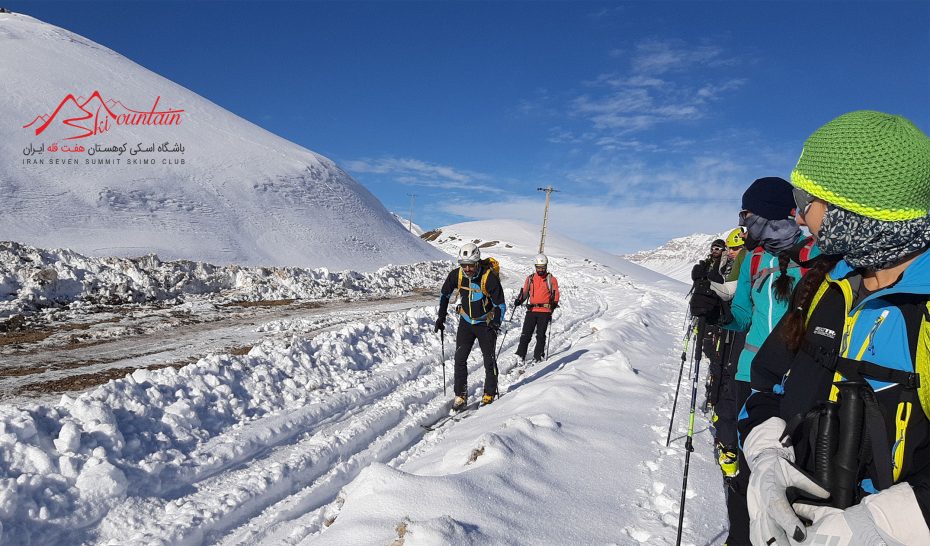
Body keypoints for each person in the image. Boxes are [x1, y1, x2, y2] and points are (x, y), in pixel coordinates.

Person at [740, 110, 930, 546]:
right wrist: (767, 453)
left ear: (855, 212)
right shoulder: (828, 288)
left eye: (806, 202)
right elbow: (764, 382)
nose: (801, 220)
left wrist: (887, 523)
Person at [721, 176, 820, 546]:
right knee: (748, 475)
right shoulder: (753, 259)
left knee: (793, 478)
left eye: (748, 214)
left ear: (768, 215)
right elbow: (743, 315)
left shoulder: (815, 258)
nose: (744, 222)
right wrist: (718, 313)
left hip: (801, 384)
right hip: (752, 377)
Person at [435, 243, 506, 410]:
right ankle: (461, 395)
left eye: (470, 265)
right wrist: (441, 316)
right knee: (460, 359)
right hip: (466, 322)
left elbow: (501, 305)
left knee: (489, 359)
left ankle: (489, 393)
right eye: (463, 265)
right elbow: (444, 294)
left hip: (485, 324)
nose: (467, 269)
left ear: (477, 262)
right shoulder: (457, 275)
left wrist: (496, 323)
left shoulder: (489, 278)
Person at [514, 254, 561, 363]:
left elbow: (556, 293)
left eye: (543, 267)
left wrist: (554, 303)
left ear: (546, 266)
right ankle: (520, 354)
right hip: (531, 310)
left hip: (545, 311)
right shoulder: (530, 278)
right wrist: (520, 300)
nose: (541, 270)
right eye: (539, 267)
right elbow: (525, 293)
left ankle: (538, 355)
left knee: (540, 335)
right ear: (535, 267)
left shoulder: (551, 279)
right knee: (525, 334)